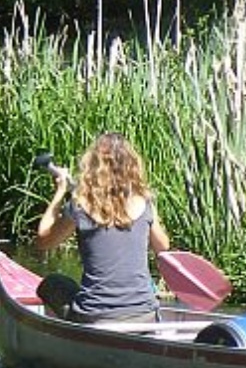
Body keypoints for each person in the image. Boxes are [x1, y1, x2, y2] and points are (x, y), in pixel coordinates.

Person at [35, 132, 171, 323]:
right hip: (145, 316)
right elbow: (163, 248)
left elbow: (43, 241)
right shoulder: (145, 202)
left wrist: (59, 193)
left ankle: (61, 340)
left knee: (52, 283)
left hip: (95, 316)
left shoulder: (80, 205)